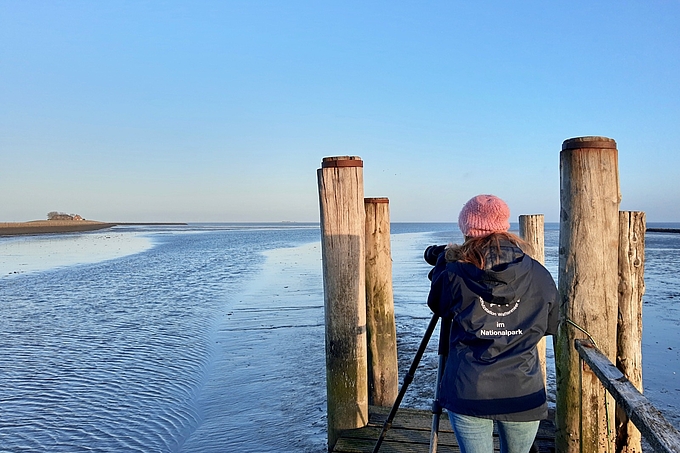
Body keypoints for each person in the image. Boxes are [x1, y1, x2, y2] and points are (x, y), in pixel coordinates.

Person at [426, 194, 559, 453]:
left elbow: (438, 305)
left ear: (467, 229)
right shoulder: (539, 274)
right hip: (523, 392)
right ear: (504, 227)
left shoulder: (455, 274)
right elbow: (550, 326)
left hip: (468, 388)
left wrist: (443, 263)